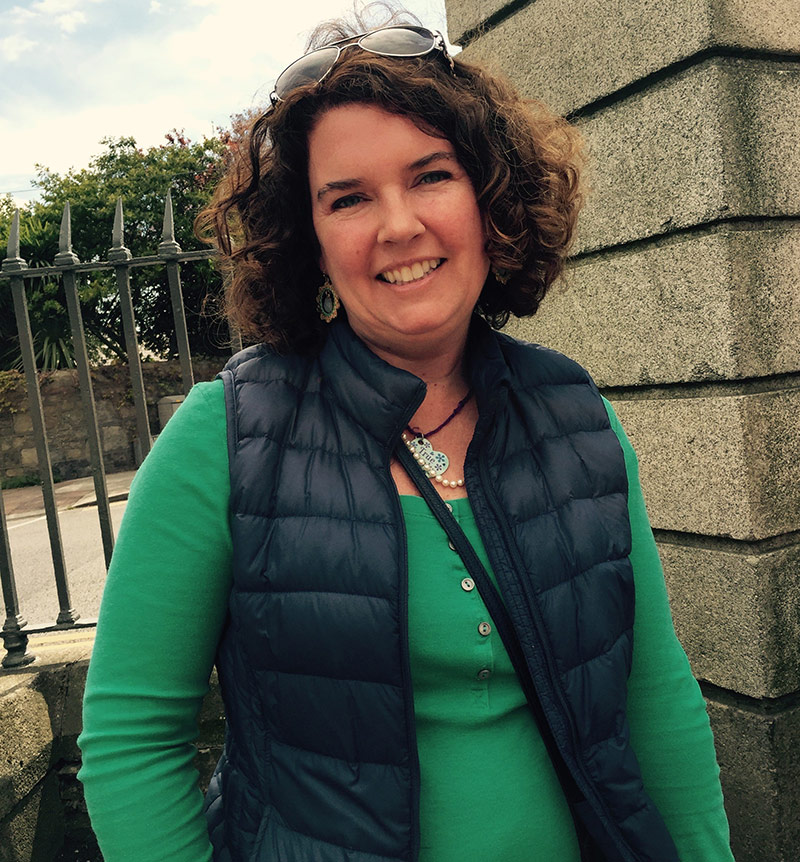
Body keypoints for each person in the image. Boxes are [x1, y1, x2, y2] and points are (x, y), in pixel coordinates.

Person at [78, 14, 735, 862]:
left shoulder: (577, 415)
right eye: (348, 198)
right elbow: (133, 743)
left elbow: (652, 696)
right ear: (312, 242)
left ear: (489, 199)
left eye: (430, 176)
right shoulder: (224, 437)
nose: (397, 225)